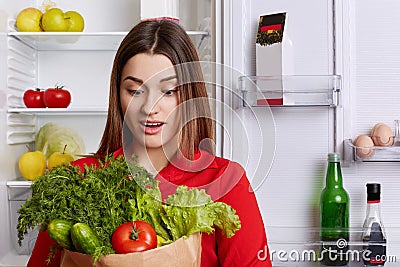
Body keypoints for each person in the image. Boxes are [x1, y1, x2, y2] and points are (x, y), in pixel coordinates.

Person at [27, 20, 272, 267]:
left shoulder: (226, 182)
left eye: (168, 91)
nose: (149, 108)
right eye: (134, 91)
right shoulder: (78, 179)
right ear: (117, 95)